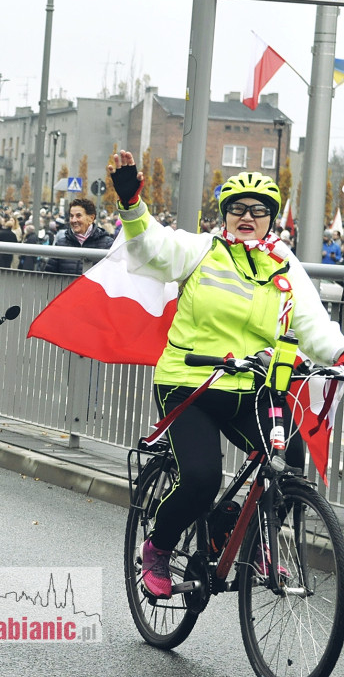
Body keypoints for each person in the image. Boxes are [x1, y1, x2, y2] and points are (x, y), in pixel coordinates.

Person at [107, 150, 344, 599]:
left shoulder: (284, 264)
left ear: (271, 219)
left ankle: (228, 527)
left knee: (288, 456)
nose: (247, 217)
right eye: (238, 209)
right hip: (190, 382)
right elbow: (151, 249)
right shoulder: (203, 250)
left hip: (250, 386)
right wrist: (132, 205)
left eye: (258, 211)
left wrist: (341, 354)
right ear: (226, 215)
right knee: (200, 479)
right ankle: (157, 547)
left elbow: (313, 325)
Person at [43, 198, 114, 274]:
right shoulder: (61, 244)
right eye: (71, 216)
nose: (73, 220)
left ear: (91, 218)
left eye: (78, 216)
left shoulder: (108, 244)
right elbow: (49, 277)